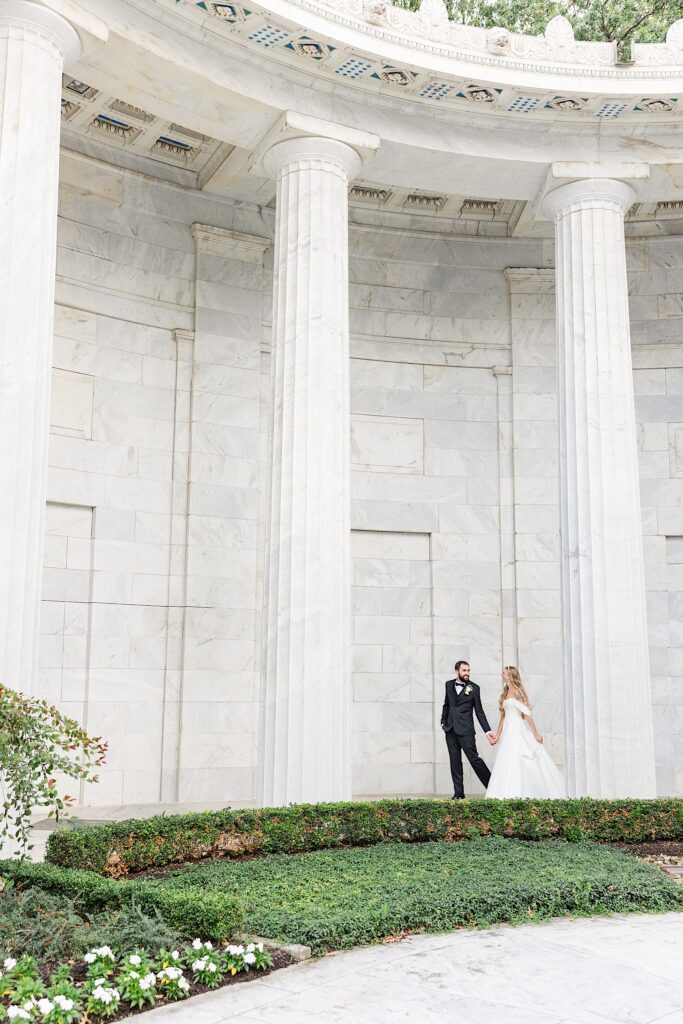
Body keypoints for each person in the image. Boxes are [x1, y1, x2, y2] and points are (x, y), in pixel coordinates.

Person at [486, 666, 565, 799]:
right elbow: (503, 716)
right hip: (508, 731)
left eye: (504, 674)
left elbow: (527, 714)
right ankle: (506, 792)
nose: (502, 675)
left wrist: (536, 734)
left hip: (517, 729)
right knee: (507, 758)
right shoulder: (505, 693)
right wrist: (497, 736)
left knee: (521, 757)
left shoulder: (517, 692)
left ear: (510, 676)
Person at [440, 660, 496, 799]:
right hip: (450, 730)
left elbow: (479, 711)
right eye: (464, 670)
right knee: (455, 762)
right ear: (457, 671)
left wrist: (488, 731)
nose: (467, 673)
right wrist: (443, 722)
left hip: (466, 731)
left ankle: (494, 787)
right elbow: (446, 705)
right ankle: (459, 794)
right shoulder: (448, 685)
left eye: (468, 670)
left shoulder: (474, 688)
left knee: (474, 759)